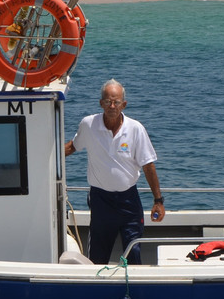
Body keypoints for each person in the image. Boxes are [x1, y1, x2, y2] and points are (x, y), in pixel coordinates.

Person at [64, 80, 165, 264]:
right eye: (108, 102)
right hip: (100, 201)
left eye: (116, 102)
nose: (112, 106)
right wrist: (47, 156)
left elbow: (148, 165)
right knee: (97, 257)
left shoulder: (135, 129)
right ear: (100, 103)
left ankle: (134, 289)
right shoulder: (89, 124)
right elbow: (73, 146)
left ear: (123, 105)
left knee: (133, 252)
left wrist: (158, 201)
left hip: (129, 201)